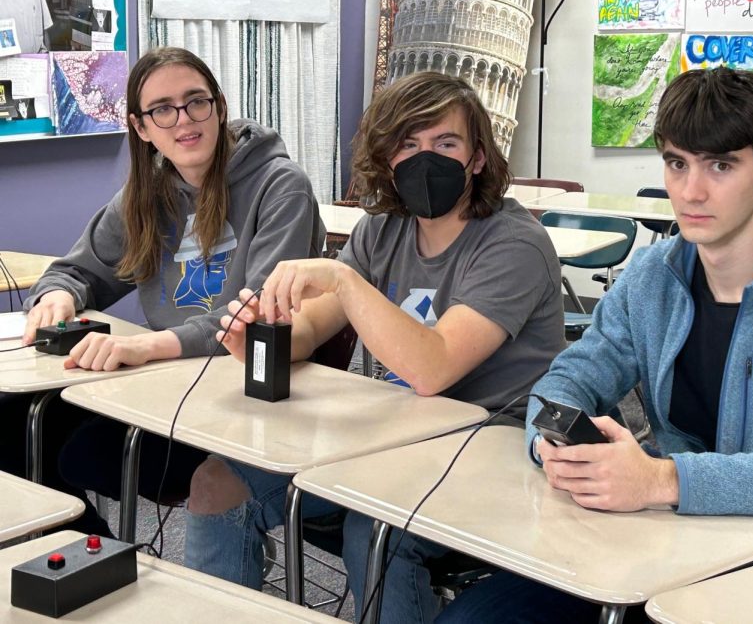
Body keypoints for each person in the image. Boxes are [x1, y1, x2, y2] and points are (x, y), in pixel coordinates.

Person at [437, 68, 753, 622]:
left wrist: (663, 479)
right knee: (475, 618)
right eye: (677, 163)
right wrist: (554, 445)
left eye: (721, 166)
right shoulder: (652, 277)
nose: (690, 190)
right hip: (667, 543)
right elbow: (571, 378)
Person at [183, 71, 565, 623]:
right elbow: (310, 329)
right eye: (407, 144)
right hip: (395, 437)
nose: (422, 158)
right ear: (387, 157)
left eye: (445, 143)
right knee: (217, 482)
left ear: (478, 158)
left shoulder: (513, 244)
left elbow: (433, 367)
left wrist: (344, 282)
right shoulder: (381, 230)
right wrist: (261, 336)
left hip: (491, 450)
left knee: (375, 526)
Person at [9, 46, 324, 536]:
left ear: (219, 106)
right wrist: (60, 295)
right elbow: (76, 270)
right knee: (12, 428)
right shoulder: (145, 196)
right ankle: (94, 568)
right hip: (164, 386)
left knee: (81, 452)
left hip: (245, 397)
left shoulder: (281, 186)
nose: (183, 120)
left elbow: (260, 316)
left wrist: (144, 345)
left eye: (195, 101)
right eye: (162, 109)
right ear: (141, 127)